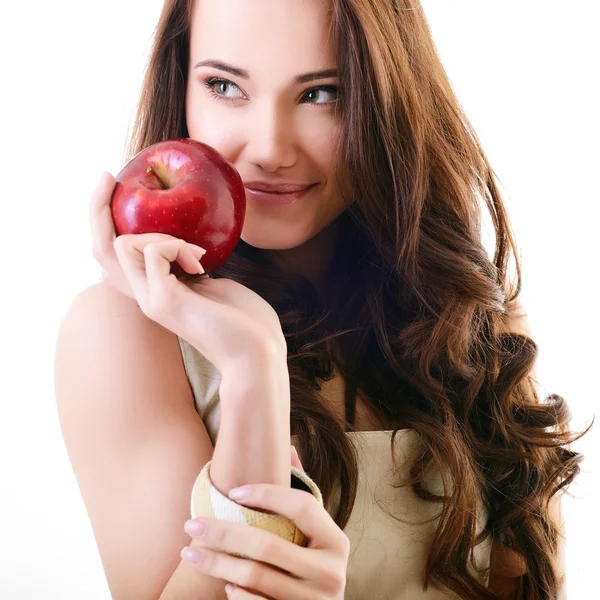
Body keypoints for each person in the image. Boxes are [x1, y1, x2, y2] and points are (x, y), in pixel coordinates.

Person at [53, 0, 590, 598]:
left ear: (387, 97)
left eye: (321, 94)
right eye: (224, 85)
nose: (270, 148)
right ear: (181, 87)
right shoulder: (125, 335)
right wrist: (250, 368)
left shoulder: (469, 319)